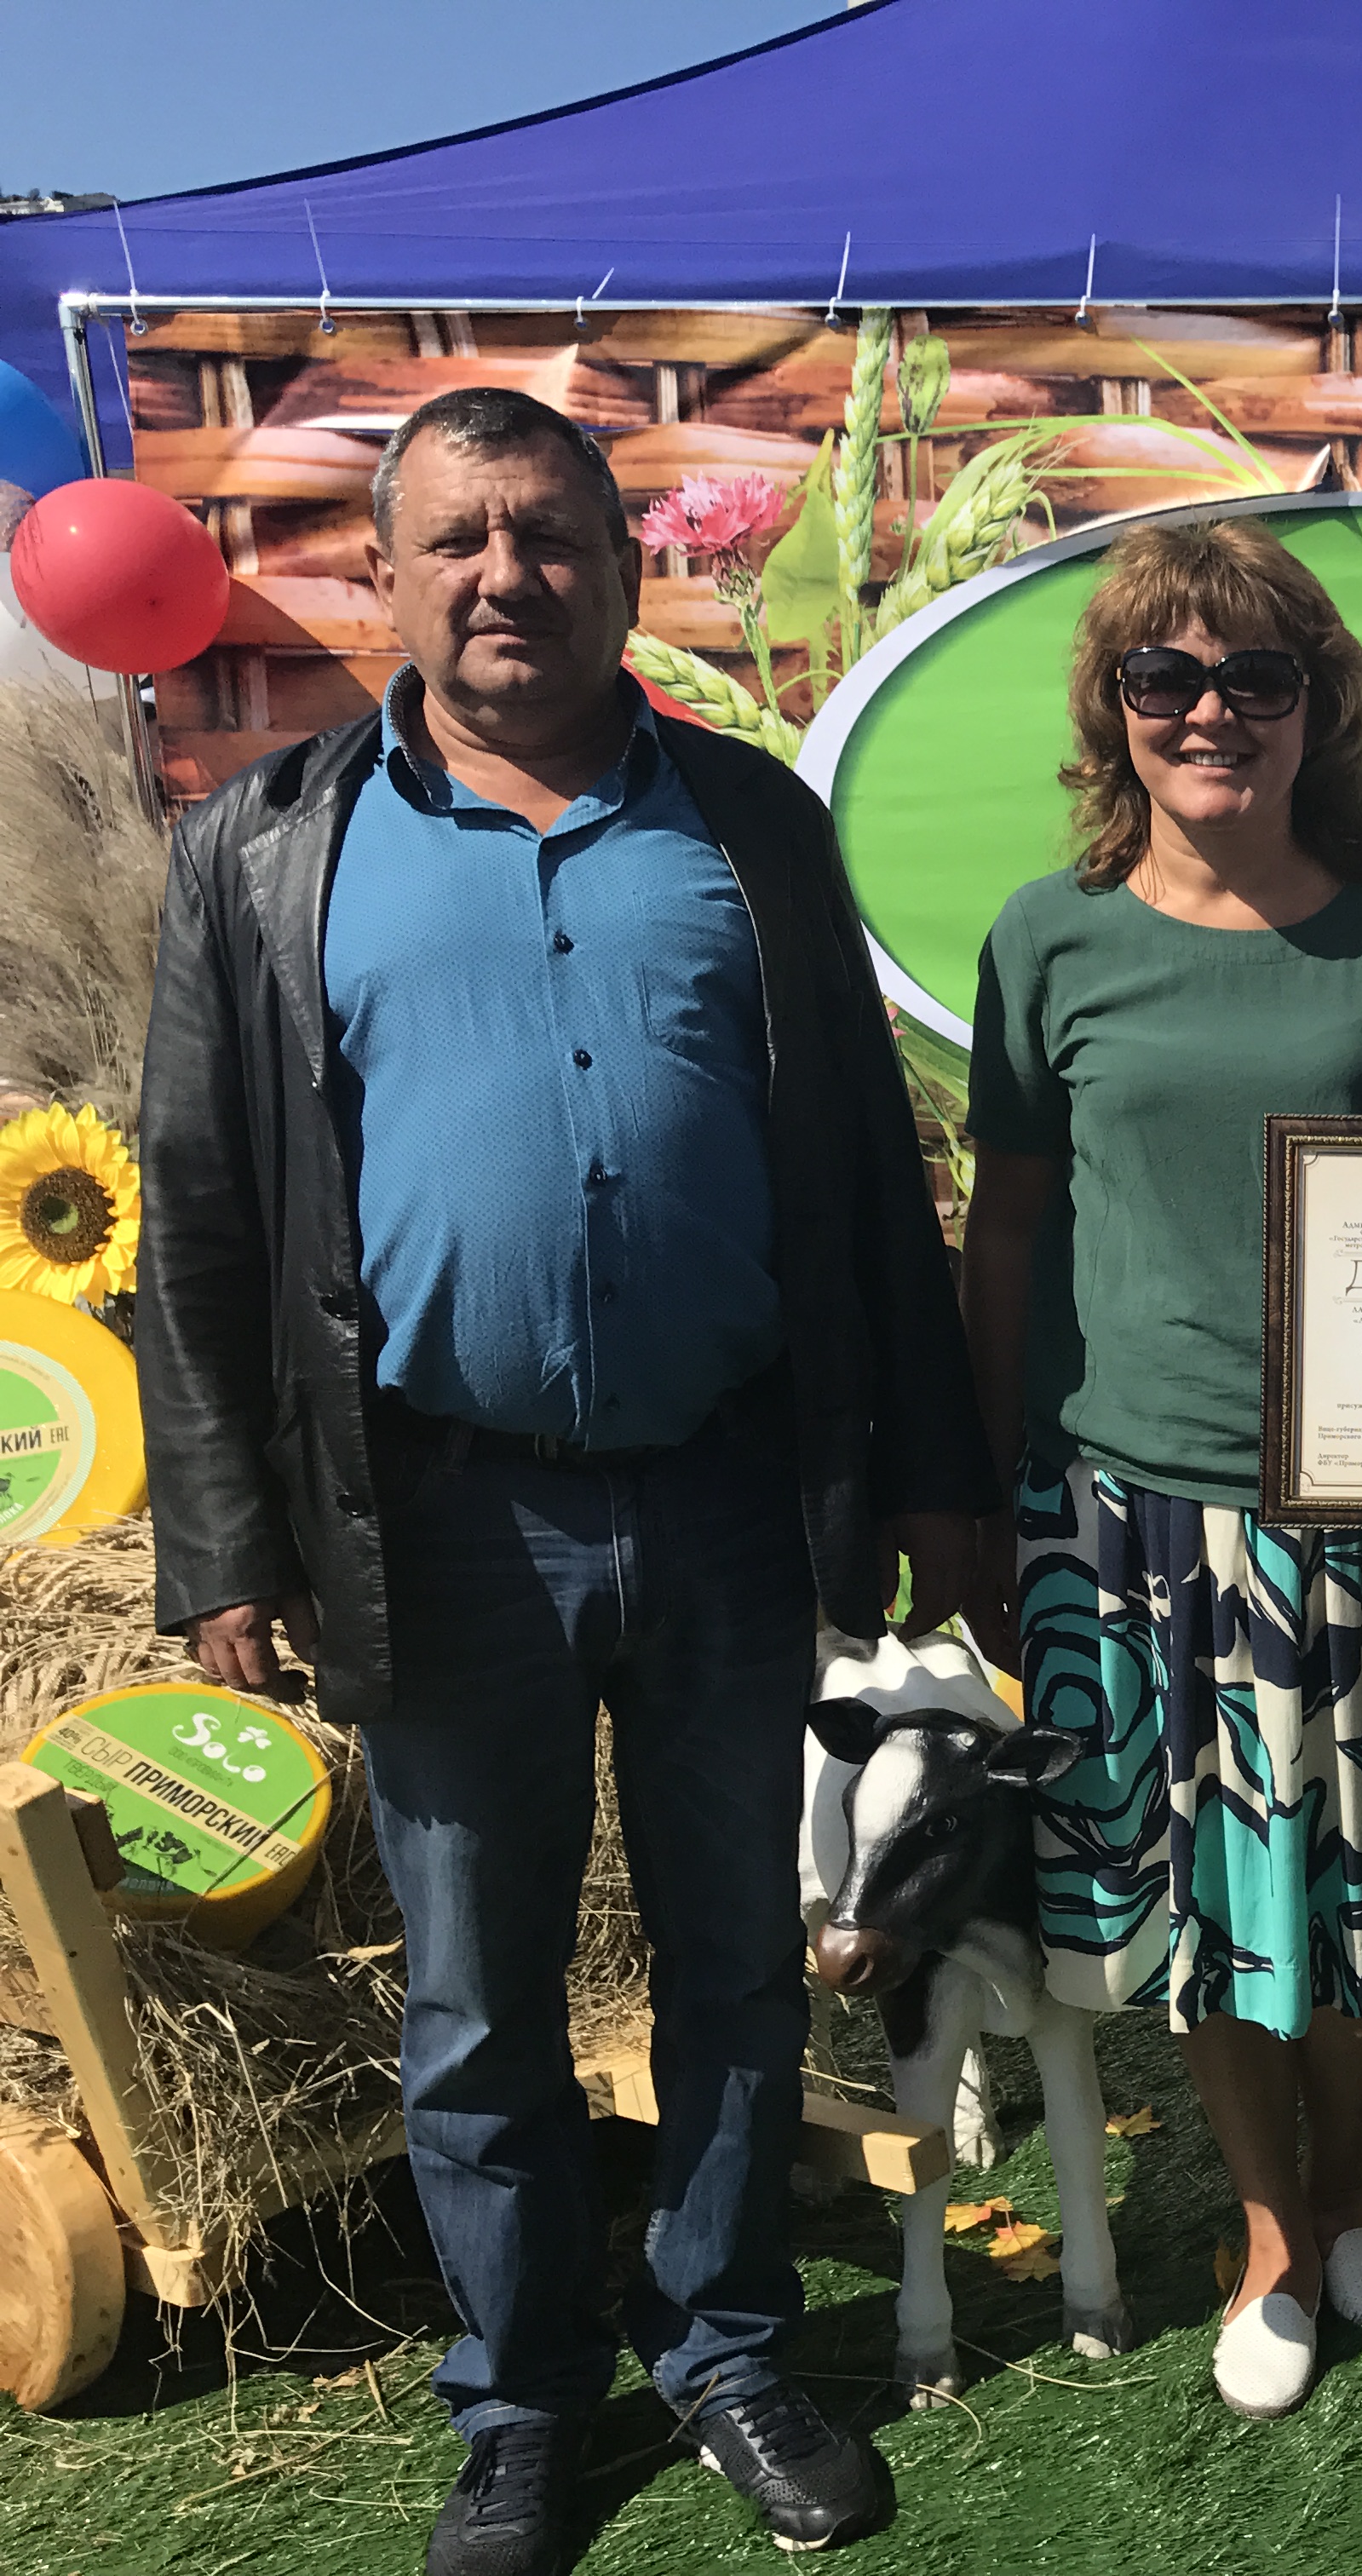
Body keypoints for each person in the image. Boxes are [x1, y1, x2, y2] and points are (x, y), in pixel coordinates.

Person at [136, 386, 986, 2574]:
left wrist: (930, 1471)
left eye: (550, 537)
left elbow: (867, 1177)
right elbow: (201, 1211)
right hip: (439, 1519)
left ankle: (729, 2351)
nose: (507, 576)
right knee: (476, 1998)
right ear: (385, 577)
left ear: (620, 570)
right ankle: (521, 2400)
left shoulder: (750, 822)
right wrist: (224, 1537)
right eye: (461, 539)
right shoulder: (266, 848)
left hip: (726, 1494)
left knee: (734, 1959)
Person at [959, 516, 1362, 2422]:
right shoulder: (1051, 938)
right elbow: (1009, 1223)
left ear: (1315, 704)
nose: (1211, 713)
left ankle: (1350, 2178)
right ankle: (1267, 2225)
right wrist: (989, 1477)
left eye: (1255, 676)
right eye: (1165, 677)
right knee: (1196, 1892)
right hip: (1130, 1502)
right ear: (1115, 709)